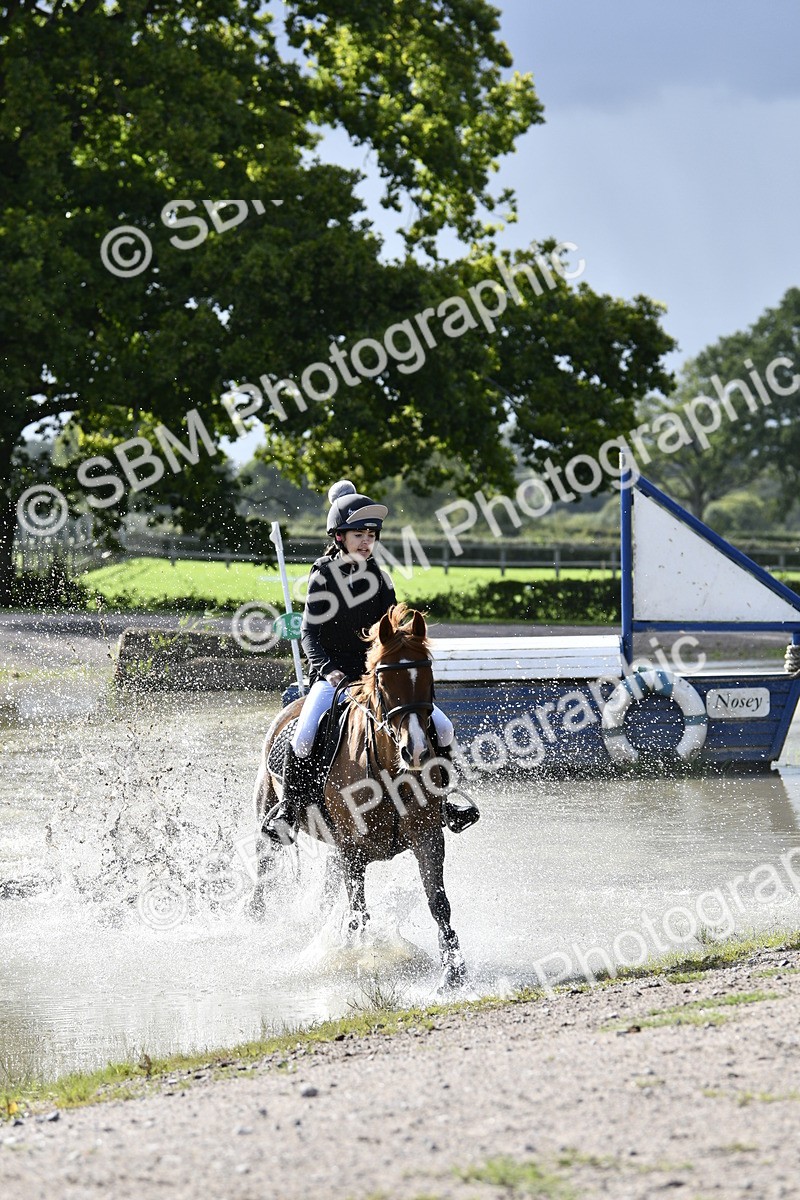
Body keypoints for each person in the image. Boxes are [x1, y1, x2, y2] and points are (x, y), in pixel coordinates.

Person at [264, 479, 479, 843]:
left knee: (441, 728)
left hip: (375, 677)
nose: (366, 541)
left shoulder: (381, 579)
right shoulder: (322, 577)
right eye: (358, 534)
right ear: (339, 538)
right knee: (303, 738)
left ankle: (443, 802)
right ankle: (289, 810)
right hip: (331, 677)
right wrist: (328, 671)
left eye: (371, 535)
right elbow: (309, 635)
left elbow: (390, 634)